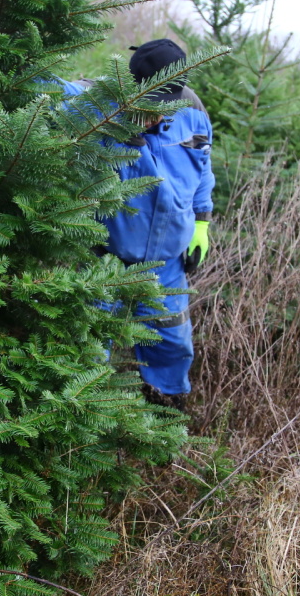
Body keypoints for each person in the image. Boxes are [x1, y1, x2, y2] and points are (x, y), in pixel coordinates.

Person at [64, 39, 214, 412]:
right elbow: (44, 89)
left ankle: (166, 411)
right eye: (150, 106)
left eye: (165, 106)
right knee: (90, 343)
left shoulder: (192, 110)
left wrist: (201, 223)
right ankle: (85, 417)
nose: (157, 116)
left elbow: (202, 168)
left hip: (167, 261)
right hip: (105, 256)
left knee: (172, 340)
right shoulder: (98, 104)